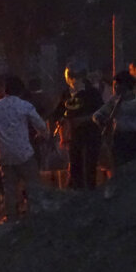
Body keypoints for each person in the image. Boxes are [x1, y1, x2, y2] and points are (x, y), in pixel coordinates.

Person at [0, 75, 48, 221]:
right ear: (21, 91)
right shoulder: (25, 106)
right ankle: (36, 215)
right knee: (33, 184)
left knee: (9, 187)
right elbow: (41, 125)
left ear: (5, 90)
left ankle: (11, 217)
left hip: (4, 155)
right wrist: (42, 135)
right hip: (24, 153)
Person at [92, 71, 136, 170]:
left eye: (117, 85)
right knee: (121, 169)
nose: (115, 87)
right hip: (120, 139)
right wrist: (102, 121)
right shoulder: (113, 102)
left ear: (125, 85)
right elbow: (97, 115)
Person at [53, 62, 104, 190]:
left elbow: (102, 112)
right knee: (75, 169)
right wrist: (61, 121)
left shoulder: (92, 93)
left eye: (77, 75)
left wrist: (83, 119)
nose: (74, 79)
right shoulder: (66, 94)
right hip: (74, 137)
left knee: (89, 168)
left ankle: (90, 197)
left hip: (91, 134)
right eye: (72, 75)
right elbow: (57, 113)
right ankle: (77, 198)